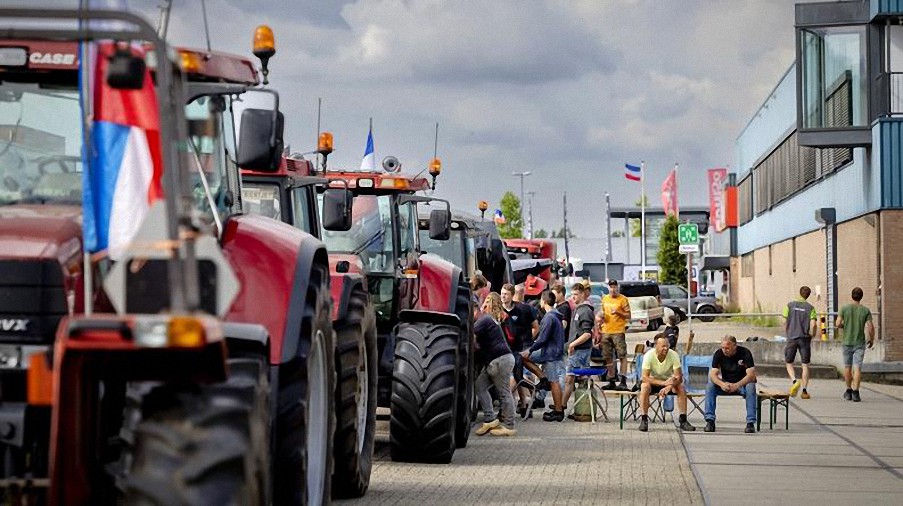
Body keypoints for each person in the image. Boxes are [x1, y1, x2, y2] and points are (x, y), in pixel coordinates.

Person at [473, 293, 517, 437]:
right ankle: (490, 419)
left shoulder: (484, 319)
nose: (481, 307)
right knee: (480, 387)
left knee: (504, 392)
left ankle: (509, 425)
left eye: (484, 304)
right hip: (497, 360)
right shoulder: (492, 319)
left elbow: (471, 334)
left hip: (499, 360)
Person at [521, 291, 566, 422]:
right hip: (554, 351)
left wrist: (530, 350)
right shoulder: (557, 315)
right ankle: (543, 379)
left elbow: (542, 338)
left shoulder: (549, 317)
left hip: (550, 353)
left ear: (543, 301)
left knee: (553, 382)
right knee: (554, 381)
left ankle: (558, 411)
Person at [638, 335, 696, 432]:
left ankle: (683, 420)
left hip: (669, 383)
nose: (666, 348)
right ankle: (644, 419)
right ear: (656, 346)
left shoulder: (673, 355)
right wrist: (663, 383)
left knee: (681, 387)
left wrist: (669, 386)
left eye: (667, 345)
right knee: (644, 386)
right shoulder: (649, 355)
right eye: (663, 346)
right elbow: (644, 377)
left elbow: (679, 377)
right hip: (654, 382)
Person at [704, 335, 758, 433]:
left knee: (751, 386)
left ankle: (750, 422)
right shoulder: (719, 354)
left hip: (742, 384)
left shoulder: (745, 353)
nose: (724, 350)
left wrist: (737, 385)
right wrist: (721, 384)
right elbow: (712, 375)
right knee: (710, 385)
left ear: (734, 346)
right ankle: (710, 420)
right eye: (723, 348)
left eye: (727, 348)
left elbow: (751, 375)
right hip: (726, 384)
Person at [501, 283, 539, 417]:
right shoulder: (499, 311)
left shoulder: (524, 309)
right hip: (509, 349)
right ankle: (523, 403)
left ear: (513, 295)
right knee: (517, 376)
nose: (503, 297)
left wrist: (529, 341)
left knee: (523, 376)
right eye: (502, 293)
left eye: (506, 294)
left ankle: (523, 404)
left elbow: (535, 327)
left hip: (525, 347)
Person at [561, 283, 595, 418]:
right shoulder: (577, 309)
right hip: (578, 350)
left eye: (575, 294)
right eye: (571, 294)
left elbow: (587, 334)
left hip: (580, 351)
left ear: (582, 294)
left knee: (569, 379)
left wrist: (572, 345)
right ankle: (577, 409)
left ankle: (561, 407)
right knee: (577, 380)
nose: (572, 297)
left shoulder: (585, 310)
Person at [836, 287, 875, 403]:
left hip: (847, 342)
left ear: (852, 295)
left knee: (847, 367)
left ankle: (848, 391)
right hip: (859, 343)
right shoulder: (865, 310)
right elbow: (871, 327)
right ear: (861, 296)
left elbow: (838, 323)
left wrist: (844, 326)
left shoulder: (844, 308)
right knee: (857, 368)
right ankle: (856, 393)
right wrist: (871, 339)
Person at [783, 286, 817, 399]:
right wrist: (812, 334)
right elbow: (814, 325)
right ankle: (804, 391)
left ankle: (794, 381)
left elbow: (785, 321)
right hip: (805, 339)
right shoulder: (811, 308)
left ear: (799, 293)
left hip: (792, 337)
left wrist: (788, 333)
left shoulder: (789, 305)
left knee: (789, 363)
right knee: (805, 365)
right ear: (808, 295)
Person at [597, 279, 631, 390]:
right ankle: (611, 379)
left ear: (617, 287)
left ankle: (623, 380)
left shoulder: (623, 299)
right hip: (606, 331)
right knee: (607, 357)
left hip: (618, 331)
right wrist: (600, 318)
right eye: (611, 287)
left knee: (622, 355)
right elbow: (601, 312)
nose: (613, 289)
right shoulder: (605, 299)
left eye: (614, 287)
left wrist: (618, 312)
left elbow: (628, 315)